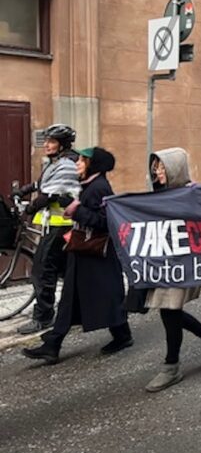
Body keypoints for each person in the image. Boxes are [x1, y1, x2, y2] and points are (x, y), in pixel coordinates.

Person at [22, 148, 132, 364]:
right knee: (72, 298)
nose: (78, 163)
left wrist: (73, 209)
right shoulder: (90, 184)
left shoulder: (99, 188)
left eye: (83, 160)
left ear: (93, 164)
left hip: (96, 253)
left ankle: (122, 335)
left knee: (105, 296)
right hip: (84, 252)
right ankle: (53, 345)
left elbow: (103, 221)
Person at [144, 148, 201, 393]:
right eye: (156, 167)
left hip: (183, 263)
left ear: (174, 168)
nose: (157, 171)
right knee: (169, 311)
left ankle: (172, 367)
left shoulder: (192, 194)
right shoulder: (158, 195)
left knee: (170, 311)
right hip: (163, 262)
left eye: (162, 167)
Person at [12, 124, 81, 335]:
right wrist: (22, 190)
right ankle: (79, 311)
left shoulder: (68, 164)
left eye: (52, 142)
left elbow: (50, 194)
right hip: (52, 226)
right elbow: (40, 184)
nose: (47, 145)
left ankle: (43, 318)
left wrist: (30, 208)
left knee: (42, 272)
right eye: (47, 141)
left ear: (62, 145)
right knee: (68, 273)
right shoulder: (56, 163)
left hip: (60, 227)